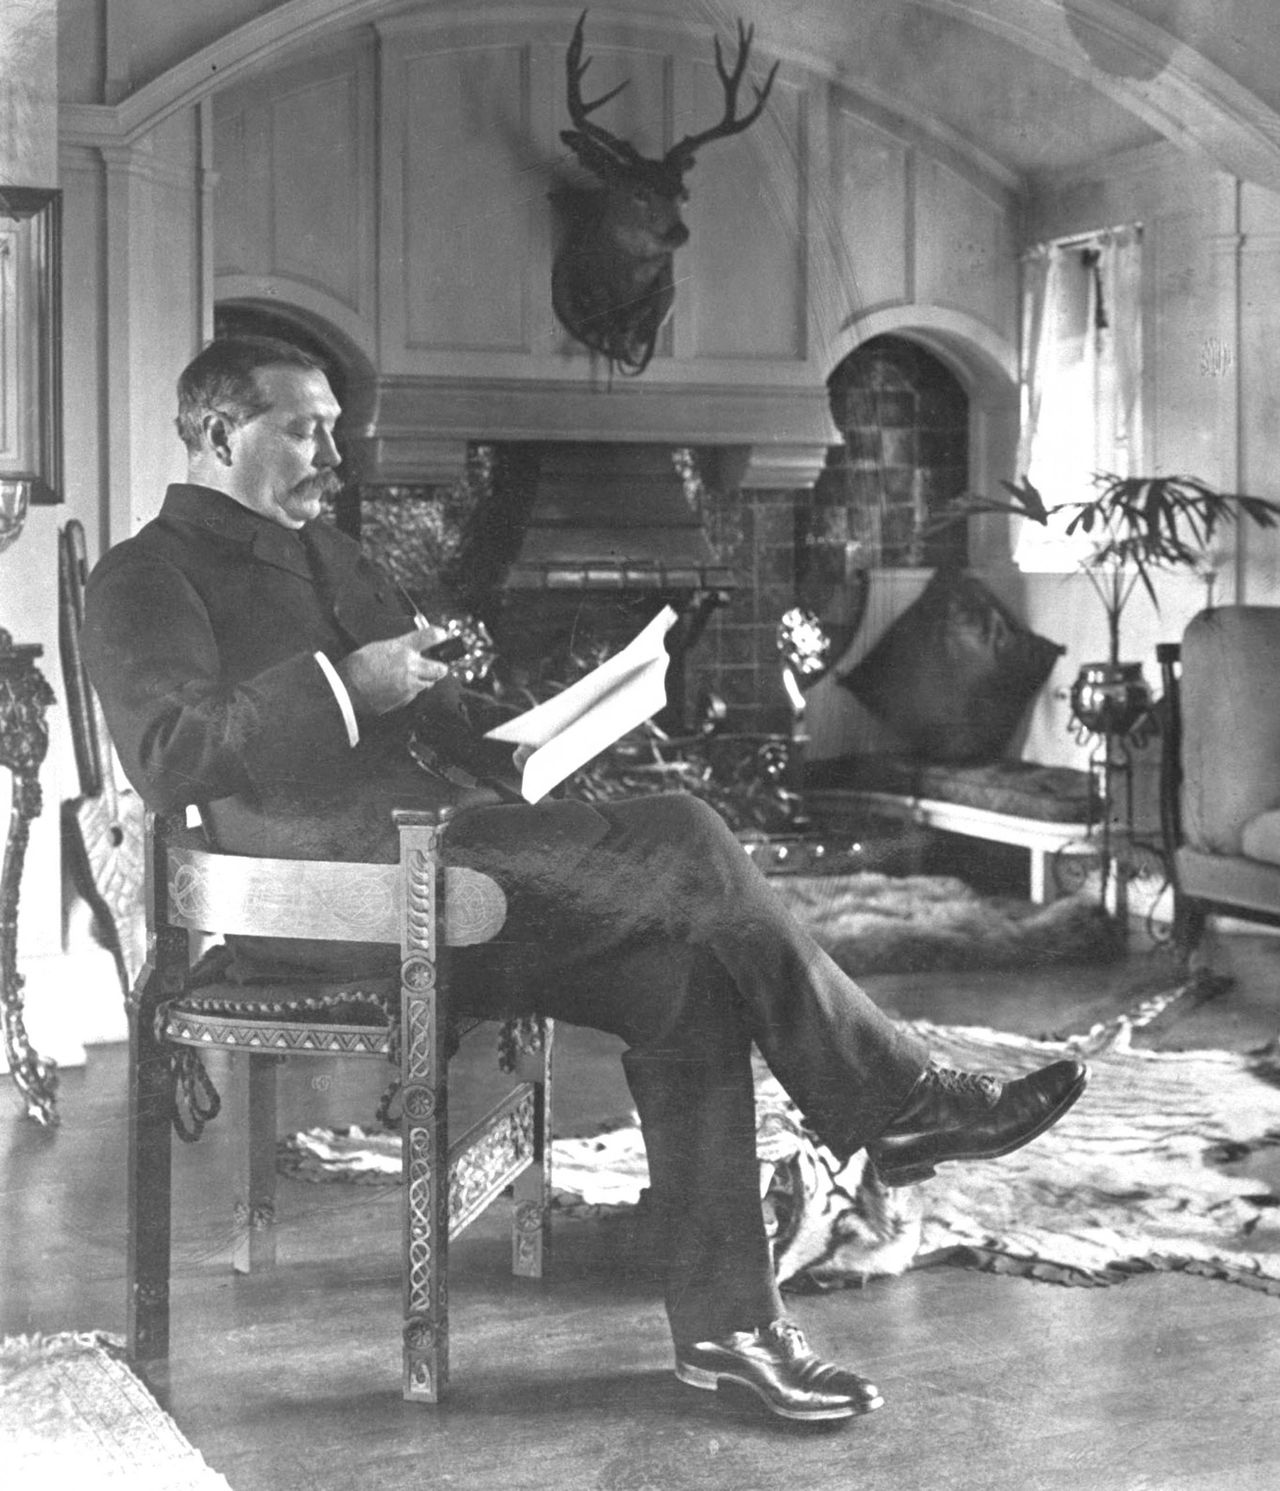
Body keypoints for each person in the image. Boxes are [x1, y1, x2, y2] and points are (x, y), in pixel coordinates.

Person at [83, 336, 1088, 1426]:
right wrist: (346, 684)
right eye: (301, 427)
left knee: (684, 979)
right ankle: (895, 1098)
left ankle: (730, 1336)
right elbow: (172, 754)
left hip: (445, 862)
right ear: (219, 431)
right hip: (322, 899)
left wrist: (518, 737)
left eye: (332, 425)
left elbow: (417, 707)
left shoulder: (325, 552)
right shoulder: (144, 575)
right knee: (689, 832)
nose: (331, 452)